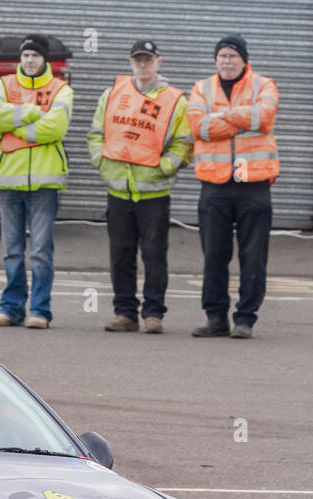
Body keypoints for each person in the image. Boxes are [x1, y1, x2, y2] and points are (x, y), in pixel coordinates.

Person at [89, 40, 193, 334]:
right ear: (131, 62)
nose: (143, 65)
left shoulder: (175, 100)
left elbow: (185, 142)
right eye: (138, 60)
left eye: (148, 60)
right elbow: (96, 133)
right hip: (118, 190)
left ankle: (153, 314)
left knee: (154, 255)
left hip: (154, 192)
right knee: (120, 254)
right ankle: (125, 314)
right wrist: (100, 162)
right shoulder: (112, 94)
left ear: (159, 61)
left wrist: (165, 167)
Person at [185, 34, 279, 339]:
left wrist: (221, 117)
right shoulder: (202, 87)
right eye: (222, 56)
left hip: (252, 181)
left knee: (253, 256)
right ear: (216, 60)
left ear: (244, 60)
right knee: (214, 254)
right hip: (215, 183)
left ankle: (245, 319)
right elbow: (198, 126)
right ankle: (215, 318)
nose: (227, 61)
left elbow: (264, 118)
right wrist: (241, 118)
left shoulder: (263, 84)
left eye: (232, 56)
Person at [0, 34, 74, 330]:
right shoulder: (3, 85)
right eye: (26, 56)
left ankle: (40, 311)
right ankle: (10, 309)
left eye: (35, 55)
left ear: (45, 58)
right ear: (20, 59)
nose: (30, 61)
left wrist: (16, 129)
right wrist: (35, 113)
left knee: (40, 251)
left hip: (44, 184)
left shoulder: (60, 88)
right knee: (12, 250)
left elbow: (56, 127)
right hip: (9, 181)